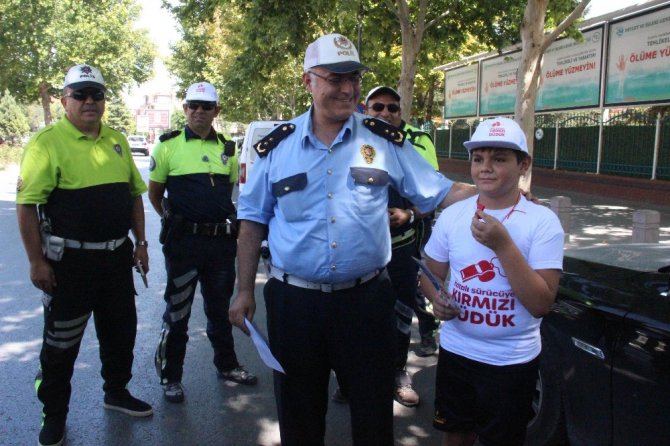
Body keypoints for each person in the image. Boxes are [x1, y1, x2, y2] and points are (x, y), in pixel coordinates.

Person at [228, 33, 475, 445]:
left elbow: (438, 191)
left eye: (354, 78)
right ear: (308, 81)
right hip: (294, 303)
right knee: (299, 416)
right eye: (334, 78)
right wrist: (242, 292)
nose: (347, 89)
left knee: (373, 415)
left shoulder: (382, 140)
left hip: (365, 303)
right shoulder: (278, 146)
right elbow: (252, 221)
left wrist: (499, 195)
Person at [16, 64, 153, 446]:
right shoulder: (46, 143)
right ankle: (54, 415)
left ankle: (117, 392)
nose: (90, 102)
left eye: (97, 95)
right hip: (70, 267)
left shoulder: (117, 141)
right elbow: (27, 206)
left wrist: (141, 244)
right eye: (80, 94)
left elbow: (133, 196)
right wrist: (36, 260)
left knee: (120, 333)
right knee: (60, 346)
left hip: (116, 260)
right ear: (64, 100)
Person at [420, 117, 565, 446]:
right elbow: (428, 274)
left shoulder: (542, 222)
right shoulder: (455, 216)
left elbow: (541, 303)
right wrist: (436, 298)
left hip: (510, 361)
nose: (485, 168)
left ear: (523, 164)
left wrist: (502, 244)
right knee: (455, 432)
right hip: (457, 352)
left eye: (499, 159)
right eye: (478, 159)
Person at [149, 82, 257, 403]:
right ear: (184, 109)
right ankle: (171, 376)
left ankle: (227, 365)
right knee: (178, 312)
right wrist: (174, 221)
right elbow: (156, 197)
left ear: (216, 111)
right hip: (183, 246)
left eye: (206, 106)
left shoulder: (228, 148)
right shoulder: (167, 147)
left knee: (221, 310)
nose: (198, 111)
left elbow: (232, 193)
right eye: (192, 105)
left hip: (220, 246)